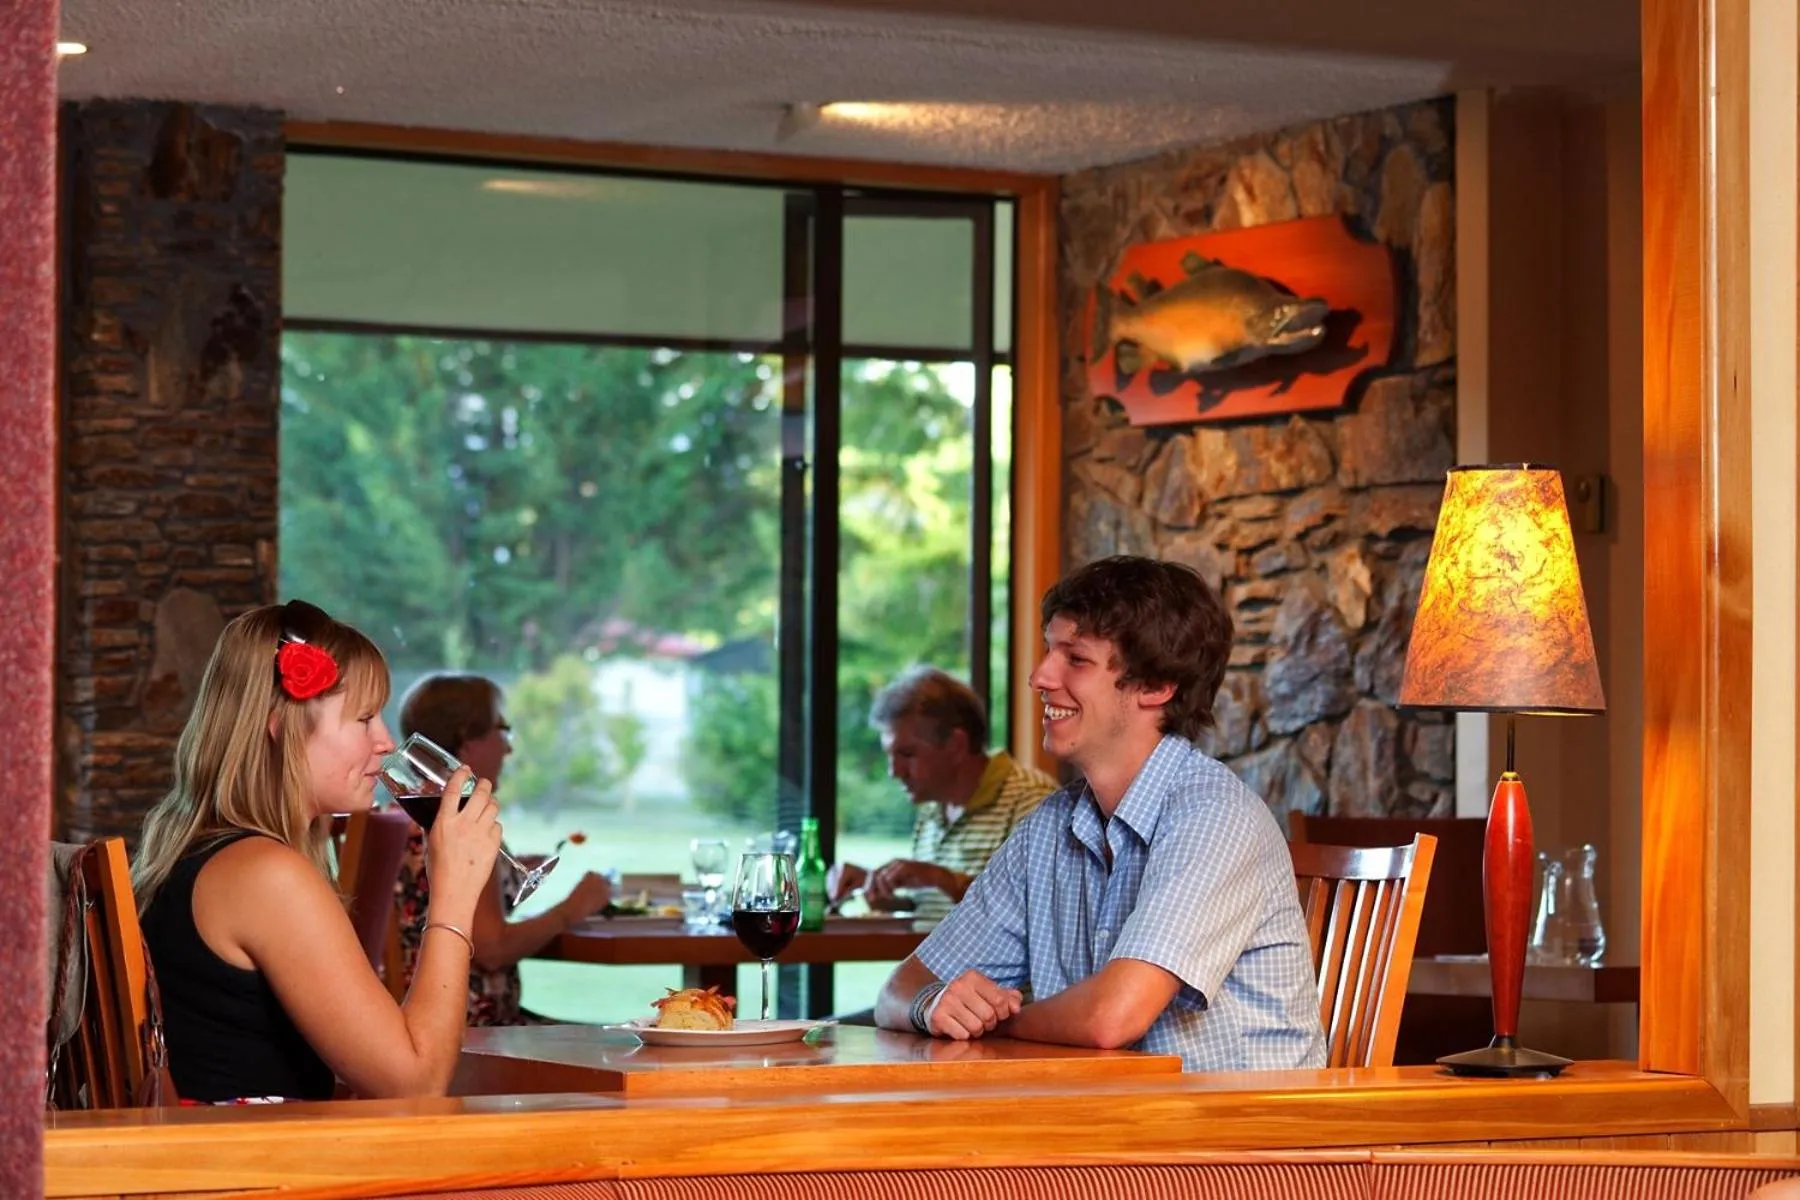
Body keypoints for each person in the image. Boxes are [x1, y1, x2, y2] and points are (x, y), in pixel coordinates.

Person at [874, 556, 1326, 1072]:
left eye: (1076, 659)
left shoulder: (1215, 817)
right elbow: (898, 990)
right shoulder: (1049, 828)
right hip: (1108, 1124)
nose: (1040, 676)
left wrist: (994, 1023)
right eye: (1050, 650)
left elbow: (1112, 1017)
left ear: (1155, 687)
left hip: (1240, 1140)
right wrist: (932, 1005)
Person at [133, 600, 502, 1103]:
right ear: (280, 725)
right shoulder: (266, 875)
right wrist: (454, 894)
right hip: (256, 1171)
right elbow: (414, 1086)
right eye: (365, 718)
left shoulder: (204, 854)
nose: (386, 741)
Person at [392, 673, 613, 1026]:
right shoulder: (455, 823)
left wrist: (503, 871)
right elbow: (492, 949)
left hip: (419, 1017)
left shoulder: (407, 817)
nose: (508, 747)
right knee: (622, 1045)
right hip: (470, 1035)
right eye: (502, 728)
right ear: (466, 739)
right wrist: (573, 908)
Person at [828, 666, 1057, 922]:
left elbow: (1039, 909)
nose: (894, 771)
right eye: (890, 756)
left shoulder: (1033, 799)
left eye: (906, 754)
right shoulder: (932, 809)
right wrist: (884, 892)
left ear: (956, 745)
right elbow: (939, 912)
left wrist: (942, 879)